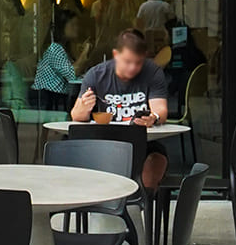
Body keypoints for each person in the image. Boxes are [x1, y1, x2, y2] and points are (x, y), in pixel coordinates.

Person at [71, 27, 170, 188]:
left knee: (157, 159)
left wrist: (153, 117)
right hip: (104, 142)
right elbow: (76, 116)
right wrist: (84, 108)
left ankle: (144, 198)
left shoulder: (152, 72)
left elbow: (161, 110)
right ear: (116, 55)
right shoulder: (96, 75)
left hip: (142, 140)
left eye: (138, 62)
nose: (133, 67)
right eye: (128, 62)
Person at [31, 14, 84, 113]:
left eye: (77, 25)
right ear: (62, 27)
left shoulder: (64, 47)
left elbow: (78, 68)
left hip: (55, 97)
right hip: (47, 99)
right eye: (72, 24)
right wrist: (85, 52)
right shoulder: (55, 48)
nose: (76, 28)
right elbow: (72, 74)